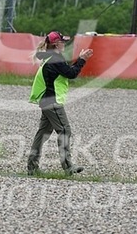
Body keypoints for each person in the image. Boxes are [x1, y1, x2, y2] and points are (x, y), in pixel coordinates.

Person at [27, 31, 93, 176]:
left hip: (46, 101)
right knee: (64, 130)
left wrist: (80, 59)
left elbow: (66, 71)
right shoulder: (56, 59)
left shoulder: (49, 57)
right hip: (53, 102)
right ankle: (68, 166)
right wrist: (82, 59)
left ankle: (32, 167)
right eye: (63, 41)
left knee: (42, 133)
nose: (64, 44)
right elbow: (71, 73)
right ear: (56, 44)